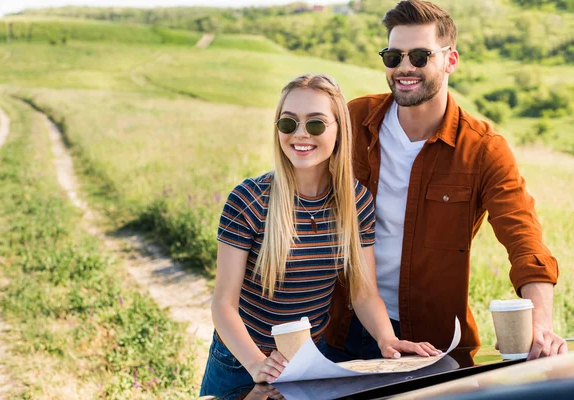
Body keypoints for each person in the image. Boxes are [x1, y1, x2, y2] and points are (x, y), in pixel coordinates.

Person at [326, 0, 566, 363]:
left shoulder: (483, 149)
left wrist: (541, 324)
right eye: (393, 57)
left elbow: (524, 239)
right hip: (338, 324)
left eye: (420, 56)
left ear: (450, 61)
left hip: (430, 342)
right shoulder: (353, 121)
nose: (404, 68)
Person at [199, 74, 440, 397]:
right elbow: (223, 305)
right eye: (288, 124)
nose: (300, 135)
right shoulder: (249, 200)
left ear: (339, 130)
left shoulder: (356, 202)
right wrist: (256, 363)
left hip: (309, 361)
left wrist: (388, 340)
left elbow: (364, 293)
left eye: (315, 124)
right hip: (239, 361)